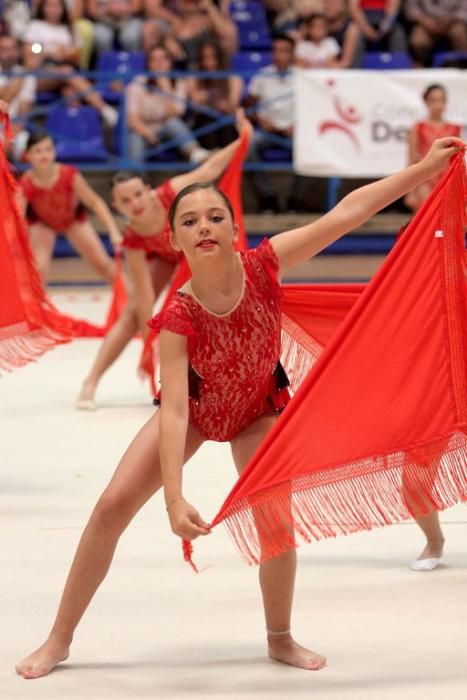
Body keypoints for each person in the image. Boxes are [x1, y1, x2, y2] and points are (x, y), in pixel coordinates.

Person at [15, 130, 463, 679]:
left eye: (213, 217)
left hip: (257, 407)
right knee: (110, 507)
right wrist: (174, 501)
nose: (203, 226)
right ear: (174, 241)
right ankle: (59, 638)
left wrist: (423, 170)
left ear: (233, 229)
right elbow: (176, 410)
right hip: (199, 413)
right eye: (189, 221)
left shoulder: (264, 266)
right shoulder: (177, 316)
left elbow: (344, 214)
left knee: (275, 519)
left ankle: (280, 636)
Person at [77, 114, 250, 410]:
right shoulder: (133, 236)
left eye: (137, 194)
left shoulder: (170, 193)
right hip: (168, 256)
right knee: (132, 312)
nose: (135, 203)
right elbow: (144, 298)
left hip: (196, 253)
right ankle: (90, 381)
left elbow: (209, 168)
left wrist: (241, 140)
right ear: (117, 207)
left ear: (148, 190)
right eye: (126, 201)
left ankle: (224, 376)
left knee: (210, 308)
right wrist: (148, 347)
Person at [17, 131, 123, 283]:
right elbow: (17, 215)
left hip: (73, 220)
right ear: (28, 155)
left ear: (54, 151)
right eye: (38, 151)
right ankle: (37, 305)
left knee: (103, 263)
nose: (44, 155)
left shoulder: (69, 174)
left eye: (48, 149)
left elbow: (95, 202)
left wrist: (113, 231)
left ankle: (130, 295)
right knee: (38, 268)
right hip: (42, 223)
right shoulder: (26, 182)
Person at [23, 0, 118, 126]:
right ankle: (104, 108)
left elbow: (78, 58)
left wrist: (65, 54)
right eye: (50, 6)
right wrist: (49, 53)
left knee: (71, 92)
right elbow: (29, 62)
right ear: (43, 8)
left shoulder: (69, 29)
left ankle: (75, 135)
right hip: (40, 74)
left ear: (63, 9)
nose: (53, 10)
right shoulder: (34, 27)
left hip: (65, 74)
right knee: (67, 72)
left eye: (57, 6)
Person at [126, 43, 210, 164]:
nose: (158, 64)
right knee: (135, 139)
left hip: (167, 131)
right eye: (154, 60)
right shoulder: (137, 84)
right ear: (148, 64)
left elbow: (175, 115)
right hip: (143, 131)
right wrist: (148, 133)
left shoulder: (180, 84)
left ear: (170, 62)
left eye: (163, 59)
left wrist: (165, 88)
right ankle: (135, 178)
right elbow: (132, 120)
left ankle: (194, 152)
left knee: (173, 123)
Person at [245, 35, 302, 212]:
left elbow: (311, 107)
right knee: (249, 144)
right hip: (267, 130)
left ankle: (294, 199)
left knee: (307, 149)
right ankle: (268, 197)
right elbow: (249, 106)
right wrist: (261, 121)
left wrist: (297, 126)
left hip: (293, 130)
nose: (279, 55)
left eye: (284, 51)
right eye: (276, 51)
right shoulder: (262, 76)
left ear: (292, 54)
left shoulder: (301, 76)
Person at [405, 84, 461, 213]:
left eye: (442, 100)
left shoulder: (454, 129)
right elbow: (411, 160)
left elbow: (457, 161)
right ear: (426, 102)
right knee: (426, 222)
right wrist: (410, 192)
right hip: (424, 181)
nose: (439, 105)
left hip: (448, 181)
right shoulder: (418, 128)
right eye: (434, 100)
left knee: (448, 223)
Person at [186, 39, 243, 150]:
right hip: (201, 124)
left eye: (213, 57)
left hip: (226, 125)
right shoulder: (194, 78)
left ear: (220, 59)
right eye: (205, 58)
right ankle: (213, 155)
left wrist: (207, 98)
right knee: (207, 118)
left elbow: (231, 106)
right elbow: (195, 104)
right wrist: (214, 99)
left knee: (224, 120)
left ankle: (226, 159)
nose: (209, 62)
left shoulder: (233, 79)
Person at [0, 34, 36, 161]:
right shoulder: (26, 73)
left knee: (28, 145)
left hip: (14, 128)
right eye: (5, 49)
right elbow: (4, 98)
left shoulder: (27, 75)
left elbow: (25, 108)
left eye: (13, 49)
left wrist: (12, 133)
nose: (10, 53)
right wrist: (25, 72)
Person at [404, 0, 467, 67]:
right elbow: (410, 8)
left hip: (453, 22)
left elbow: (464, 9)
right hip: (426, 23)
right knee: (418, 39)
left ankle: (463, 65)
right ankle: (422, 67)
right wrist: (424, 20)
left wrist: (450, 20)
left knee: (458, 32)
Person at [324, 0, 363, 68]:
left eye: (333, 3)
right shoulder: (317, 25)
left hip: (342, 72)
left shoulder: (351, 28)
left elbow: (346, 62)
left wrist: (324, 67)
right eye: (326, 2)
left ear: (344, 6)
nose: (328, 7)